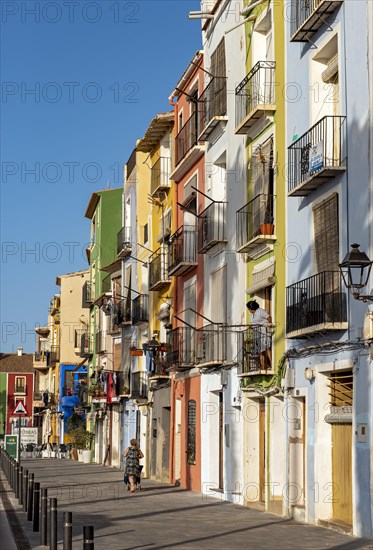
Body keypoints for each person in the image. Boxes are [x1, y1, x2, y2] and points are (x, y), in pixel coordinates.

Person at [246, 300, 272, 371]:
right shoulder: (252, 315)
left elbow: (269, 317)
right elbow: (253, 323)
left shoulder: (260, 311)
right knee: (260, 351)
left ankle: (272, 364)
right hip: (257, 334)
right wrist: (250, 327)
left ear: (251, 308)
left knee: (266, 348)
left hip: (263, 332)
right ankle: (263, 367)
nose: (248, 310)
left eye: (248, 308)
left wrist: (269, 326)